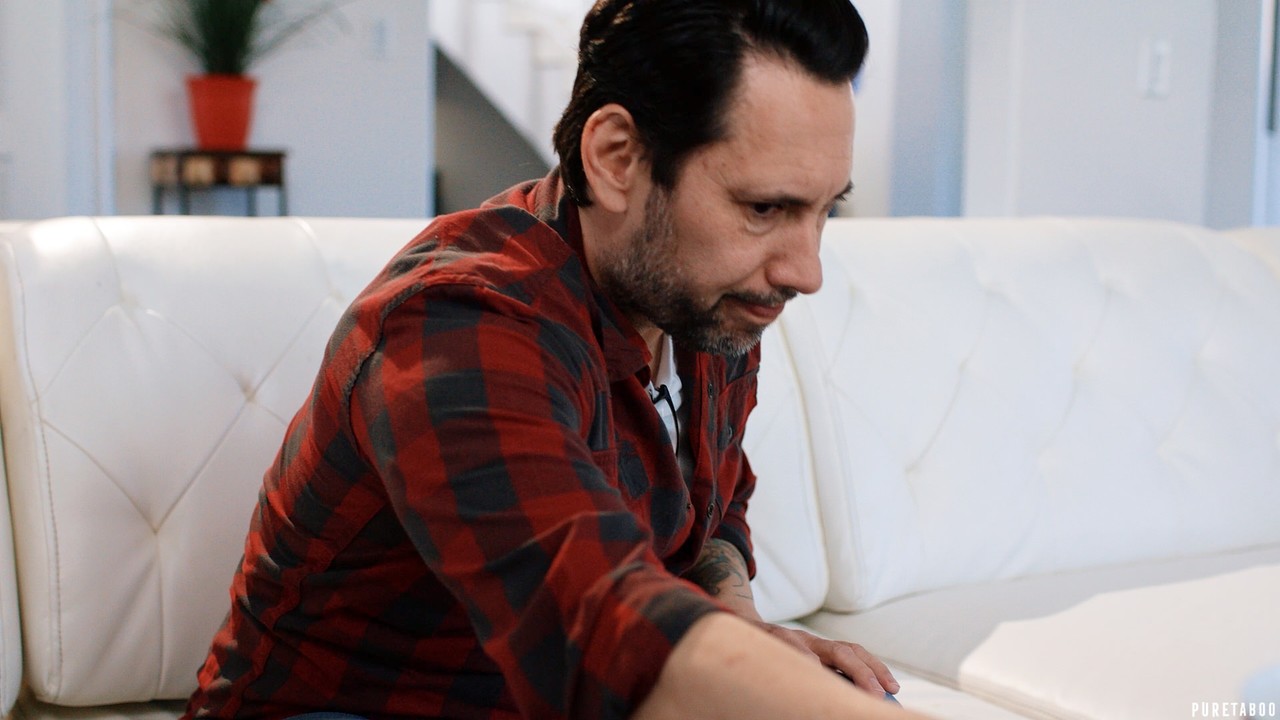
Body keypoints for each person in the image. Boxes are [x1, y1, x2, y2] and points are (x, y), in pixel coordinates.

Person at [184, 1, 926, 718]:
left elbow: (715, 505)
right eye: (765, 208)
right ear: (617, 158)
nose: (806, 271)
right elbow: (597, 625)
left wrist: (741, 630)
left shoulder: (706, 302)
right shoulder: (455, 323)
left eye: (826, 209)